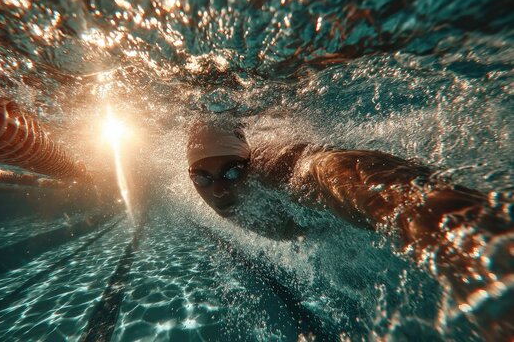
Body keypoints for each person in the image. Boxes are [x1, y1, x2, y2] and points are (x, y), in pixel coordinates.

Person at [186, 119, 513, 340]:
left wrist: (449, 231)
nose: (217, 190)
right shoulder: (229, 193)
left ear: (250, 163)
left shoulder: (274, 168)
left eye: (231, 173)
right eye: (202, 176)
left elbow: (332, 171)